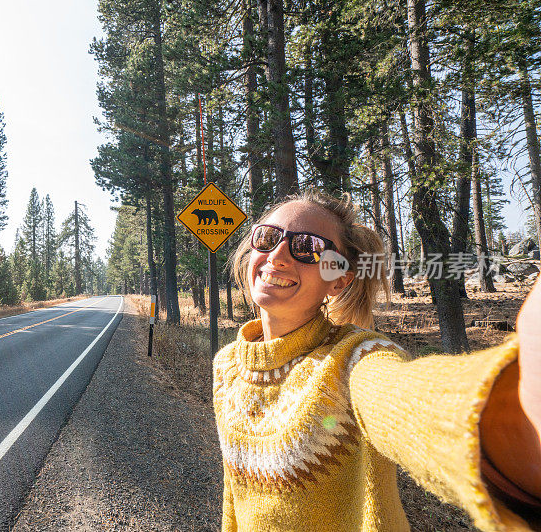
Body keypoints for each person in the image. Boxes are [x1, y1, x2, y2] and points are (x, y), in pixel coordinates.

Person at [213, 190, 541, 531]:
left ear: (338, 279)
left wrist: (516, 414)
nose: (278, 255)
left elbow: (401, 399)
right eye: (267, 238)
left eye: (307, 248)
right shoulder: (227, 365)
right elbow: (234, 495)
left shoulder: (354, 360)